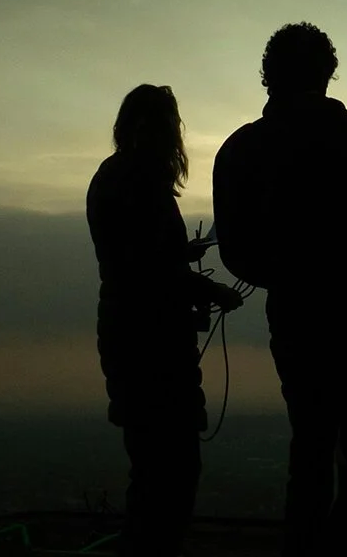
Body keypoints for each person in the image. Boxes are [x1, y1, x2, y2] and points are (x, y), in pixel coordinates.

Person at [211, 22, 347, 556]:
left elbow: (237, 252)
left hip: (293, 317)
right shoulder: (337, 127)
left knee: (309, 448)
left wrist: (289, 269)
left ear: (269, 76)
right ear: (326, 73)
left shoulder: (239, 148)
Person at [86, 84, 245, 557]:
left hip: (130, 334)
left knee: (154, 467)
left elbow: (135, 258)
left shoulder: (113, 176)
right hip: (150, 343)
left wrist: (180, 256)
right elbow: (147, 269)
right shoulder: (139, 180)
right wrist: (208, 288)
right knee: (169, 472)